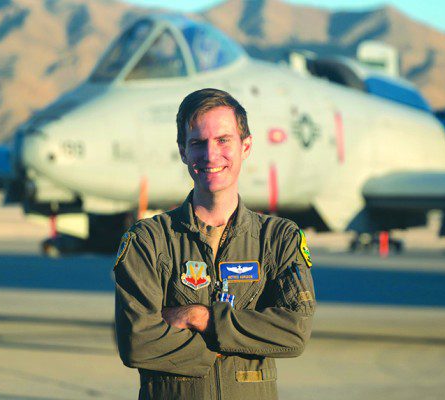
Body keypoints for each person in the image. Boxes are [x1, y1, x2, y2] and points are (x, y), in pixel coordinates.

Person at [113, 88, 316, 399]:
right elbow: (136, 343)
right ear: (182, 151)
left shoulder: (278, 239)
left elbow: (295, 331)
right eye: (197, 143)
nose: (210, 154)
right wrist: (230, 345)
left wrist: (202, 319)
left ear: (246, 146)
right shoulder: (149, 241)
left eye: (223, 140)